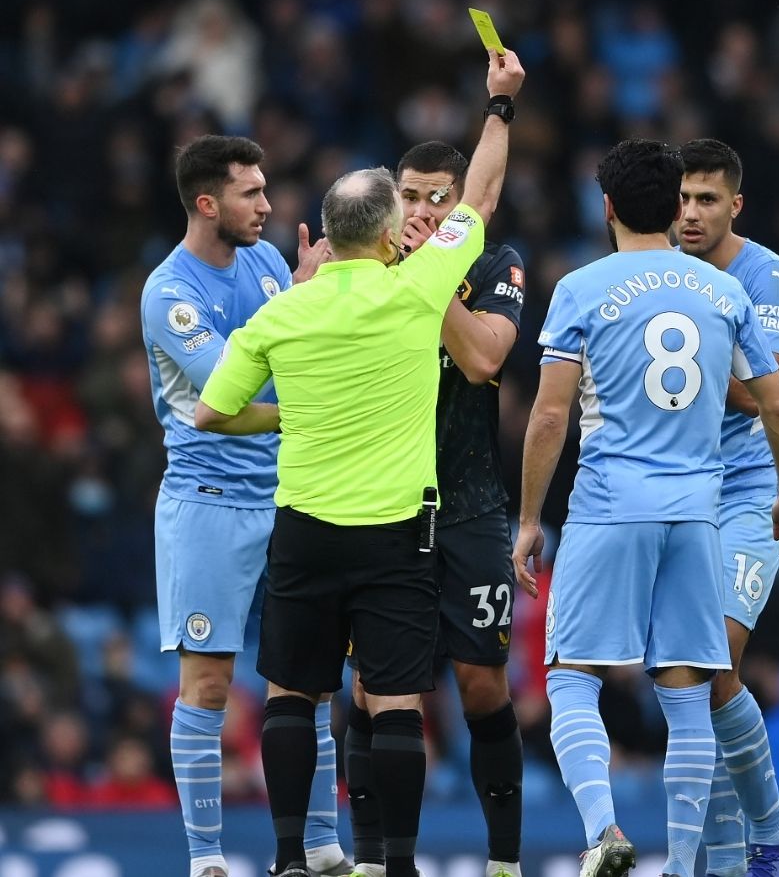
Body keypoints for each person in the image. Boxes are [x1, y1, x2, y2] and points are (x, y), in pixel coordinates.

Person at [193, 49, 525, 877]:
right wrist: (500, 106)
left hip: (303, 526)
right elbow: (480, 196)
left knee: (292, 696)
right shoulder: (415, 291)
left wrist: (289, 411)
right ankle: (401, 865)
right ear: (387, 233)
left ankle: (286, 860)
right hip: (393, 532)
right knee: (399, 702)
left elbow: (211, 411)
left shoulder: (284, 311)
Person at [510, 138, 779, 877]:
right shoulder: (724, 292)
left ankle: (604, 830)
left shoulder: (581, 287)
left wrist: (526, 519)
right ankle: (684, 865)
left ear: (606, 207)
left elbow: (549, 418)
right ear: (674, 207)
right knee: (687, 688)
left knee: (571, 675)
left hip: (611, 504)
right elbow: (776, 404)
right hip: (698, 509)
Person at [138, 134, 352, 877]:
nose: (267, 205)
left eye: (266, 189)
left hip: (288, 495)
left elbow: (293, 357)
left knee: (309, 674)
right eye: (250, 193)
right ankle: (207, 860)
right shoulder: (171, 293)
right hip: (208, 502)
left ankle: (322, 845)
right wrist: (305, 402)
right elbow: (231, 395)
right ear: (207, 203)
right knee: (209, 681)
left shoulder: (266, 263)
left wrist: (305, 292)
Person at [341, 140, 527, 877]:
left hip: (472, 504)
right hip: (387, 503)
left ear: (463, 205)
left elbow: (485, 361)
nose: (419, 212)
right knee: (377, 688)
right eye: (408, 197)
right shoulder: (363, 265)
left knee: (483, 684)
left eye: (436, 198)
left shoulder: (492, 264)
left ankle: (505, 862)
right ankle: (375, 861)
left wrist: (433, 276)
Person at [675, 137, 779, 877]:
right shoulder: (660, 266)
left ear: (736, 205)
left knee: (716, 660)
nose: (691, 215)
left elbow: (759, 390)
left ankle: (770, 833)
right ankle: (727, 860)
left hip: (749, 488)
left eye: (707, 200)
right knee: (688, 683)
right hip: (677, 488)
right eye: (683, 200)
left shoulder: (767, 276)